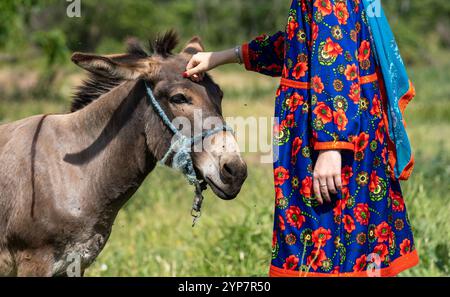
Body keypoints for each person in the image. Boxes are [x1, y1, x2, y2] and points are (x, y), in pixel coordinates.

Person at [184, 0, 418, 277]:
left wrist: (331, 147)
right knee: (344, 251)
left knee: (327, 252)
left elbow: (336, 61)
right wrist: (222, 56)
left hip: (329, 137)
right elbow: (300, 46)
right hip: (340, 131)